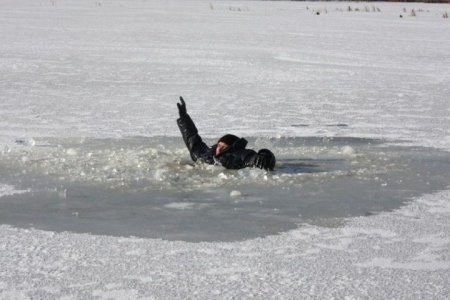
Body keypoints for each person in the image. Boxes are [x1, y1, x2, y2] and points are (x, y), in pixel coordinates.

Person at [176, 96, 276, 171]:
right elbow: (193, 139)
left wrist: (265, 155)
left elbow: (256, 159)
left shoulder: (240, 155)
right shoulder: (205, 154)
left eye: (224, 146)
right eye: (219, 145)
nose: (219, 148)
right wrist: (184, 118)